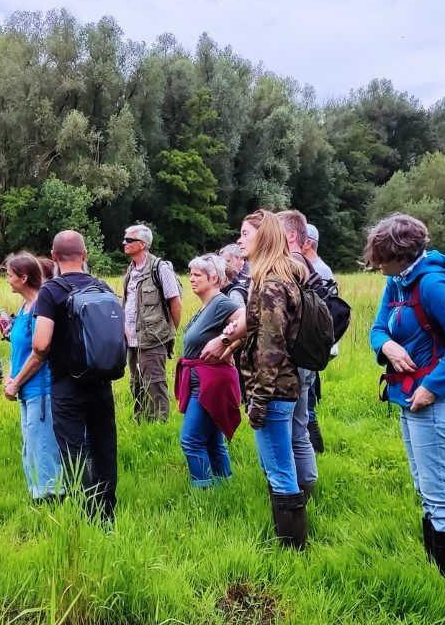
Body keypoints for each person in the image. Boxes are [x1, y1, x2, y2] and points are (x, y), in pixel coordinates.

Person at [366, 214, 445, 575]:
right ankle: (434, 566)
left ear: (398, 254)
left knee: (439, 490)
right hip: (408, 397)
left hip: (434, 401)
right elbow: (377, 327)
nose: (376, 264)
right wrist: (386, 346)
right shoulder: (398, 282)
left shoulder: (432, 284)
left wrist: (431, 389)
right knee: (424, 484)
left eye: (381, 257)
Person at [24, 230, 121, 523]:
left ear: (53, 257)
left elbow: (41, 344)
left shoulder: (51, 292)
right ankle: (107, 511)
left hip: (67, 385)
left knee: (73, 448)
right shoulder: (102, 287)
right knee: (104, 445)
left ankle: (89, 513)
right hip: (102, 381)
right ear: (85, 255)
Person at [234, 210, 308, 547]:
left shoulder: (272, 284)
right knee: (279, 466)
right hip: (279, 388)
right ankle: (288, 540)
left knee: (279, 470)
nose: (240, 240)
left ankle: (292, 548)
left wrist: (258, 398)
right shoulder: (276, 277)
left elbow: (270, 346)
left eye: (246, 234)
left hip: (274, 390)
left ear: (264, 238)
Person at [174, 253, 241, 487]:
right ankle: (224, 487)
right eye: (190, 274)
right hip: (199, 378)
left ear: (214, 278)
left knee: (191, 440)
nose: (191, 278)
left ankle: (203, 492)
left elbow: (248, 320)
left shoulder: (222, 303)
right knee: (212, 438)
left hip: (210, 380)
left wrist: (229, 346)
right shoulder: (208, 305)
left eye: (197, 274)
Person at [1, 253, 64, 502]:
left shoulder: (40, 308)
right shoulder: (24, 307)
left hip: (41, 389)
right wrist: (9, 377)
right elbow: (18, 350)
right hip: (25, 389)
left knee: (43, 445)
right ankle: (38, 492)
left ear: (24, 278)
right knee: (30, 445)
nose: (7, 280)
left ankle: (52, 495)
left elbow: (40, 353)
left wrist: (15, 383)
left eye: (9, 275)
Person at [274, 209, 320, 496]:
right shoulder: (307, 265)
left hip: (290, 362)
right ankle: (309, 488)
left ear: (290, 235)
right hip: (306, 358)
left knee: (286, 433)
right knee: (299, 429)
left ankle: (289, 492)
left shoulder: (287, 266)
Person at [121, 224, 182, 422]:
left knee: (154, 383)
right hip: (132, 340)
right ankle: (141, 422)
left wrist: (167, 332)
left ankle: (160, 424)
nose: (125, 243)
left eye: (129, 240)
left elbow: (175, 303)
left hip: (154, 339)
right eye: (125, 239)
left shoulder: (159, 268)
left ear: (143, 244)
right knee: (136, 383)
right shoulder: (130, 270)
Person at [301, 223, 334, 453]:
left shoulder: (318, 270)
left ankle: (316, 449)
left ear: (308, 243)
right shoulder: (315, 267)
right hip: (313, 345)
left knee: (308, 401)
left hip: (312, 345)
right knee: (307, 397)